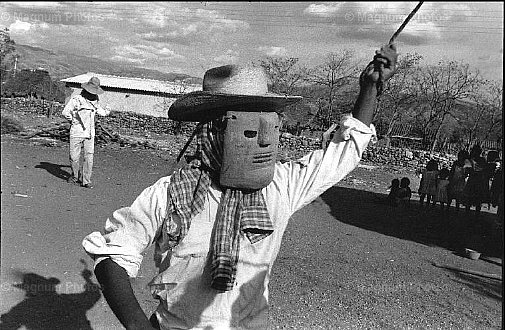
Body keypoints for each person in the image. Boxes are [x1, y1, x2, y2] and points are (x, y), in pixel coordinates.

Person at [82, 44, 398, 330]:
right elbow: (112, 257)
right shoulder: (170, 193)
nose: (263, 140)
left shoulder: (281, 187)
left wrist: (369, 88)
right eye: (249, 128)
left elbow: (343, 152)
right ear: (213, 131)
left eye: (269, 125)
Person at [62, 77, 111, 189]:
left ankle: (86, 181)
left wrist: (107, 110)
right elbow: (65, 112)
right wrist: (74, 120)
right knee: (74, 156)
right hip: (77, 132)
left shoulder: (95, 101)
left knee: (89, 157)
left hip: (90, 133)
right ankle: (75, 176)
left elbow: (101, 112)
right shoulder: (76, 100)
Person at [463, 145, 489, 214]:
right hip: (479, 181)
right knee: (477, 198)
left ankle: (468, 212)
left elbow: (467, 171)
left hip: (474, 180)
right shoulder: (482, 160)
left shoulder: (472, 160)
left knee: (471, 197)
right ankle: (476, 213)